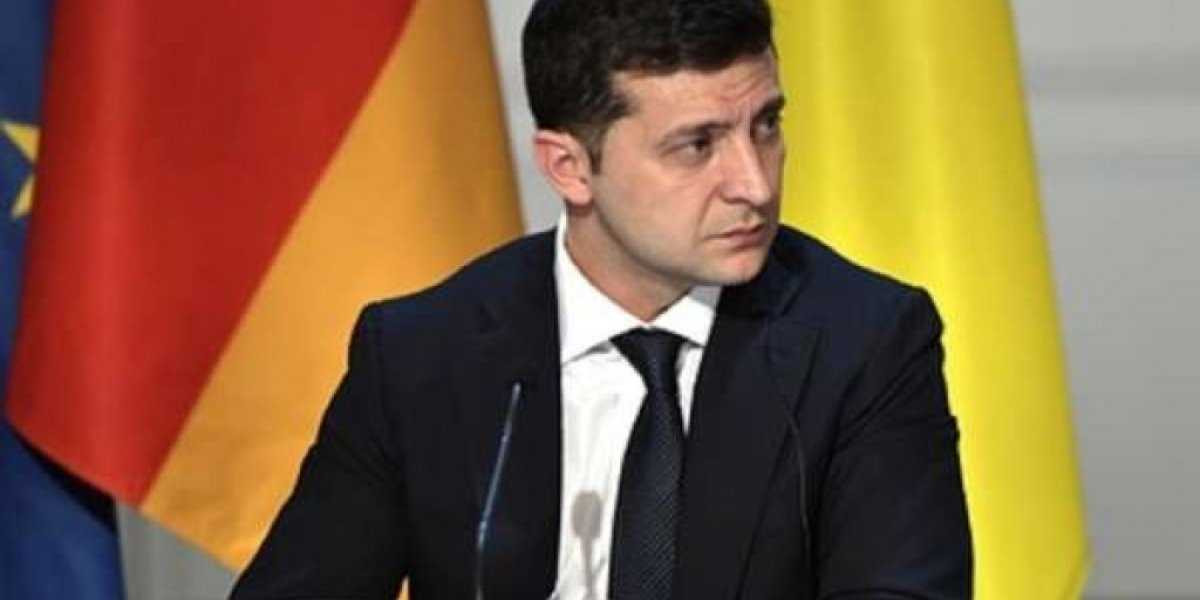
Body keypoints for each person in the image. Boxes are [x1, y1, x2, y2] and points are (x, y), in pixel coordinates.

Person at [231, 0, 972, 598]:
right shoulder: (421, 353)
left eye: (766, 126)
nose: (754, 183)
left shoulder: (864, 341)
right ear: (569, 168)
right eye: (698, 145)